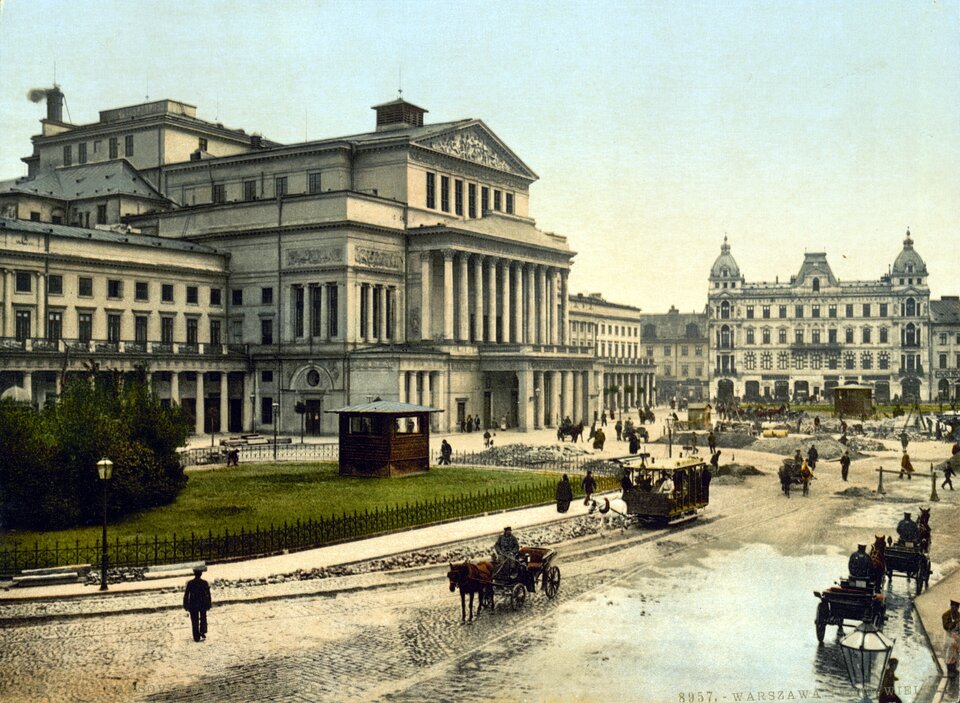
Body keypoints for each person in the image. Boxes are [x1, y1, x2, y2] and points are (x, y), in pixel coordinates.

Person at [183, 567, 212, 642]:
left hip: (193, 604)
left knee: (194, 620)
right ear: (201, 574)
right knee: (203, 618)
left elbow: (186, 595)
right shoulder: (204, 582)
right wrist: (209, 603)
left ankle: (196, 636)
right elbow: (208, 594)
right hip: (202, 603)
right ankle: (202, 632)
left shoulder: (190, 583)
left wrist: (185, 604)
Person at [943, 600, 960, 677]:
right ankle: (950, 671)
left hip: (957, 636)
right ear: (951, 607)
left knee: (956, 653)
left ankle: (954, 669)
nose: (954, 609)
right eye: (953, 607)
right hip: (949, 635)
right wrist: (955, 623)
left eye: (956, 608)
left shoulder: (958, 615)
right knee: (949, 653)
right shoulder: (945, 615)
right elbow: (946, 627)